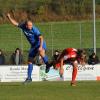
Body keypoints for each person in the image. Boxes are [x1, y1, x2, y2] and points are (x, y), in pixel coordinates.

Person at [7, 13, 50, 83]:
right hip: (33, 46)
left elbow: (41, 38)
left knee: (41, 52)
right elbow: (15, 24)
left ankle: (48, 64)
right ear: (26, 25)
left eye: (31, 25)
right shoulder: (23, 26)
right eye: (29, 25)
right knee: (30, 61)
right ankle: (29, 78)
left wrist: (41, 46)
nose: (31, 26)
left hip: (39, 43)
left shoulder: (34, 29)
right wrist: (9, 17)